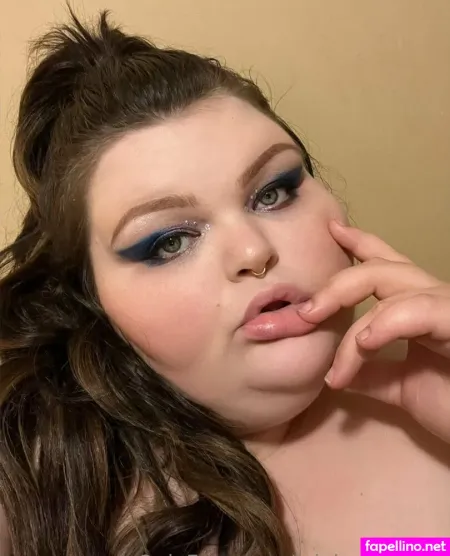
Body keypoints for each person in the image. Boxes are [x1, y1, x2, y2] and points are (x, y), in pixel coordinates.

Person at [0, 7, 449, 556]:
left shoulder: (431, 403)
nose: (254, 251)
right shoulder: (38, 476)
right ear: (95, 303)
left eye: (273, 192)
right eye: (169, 241)